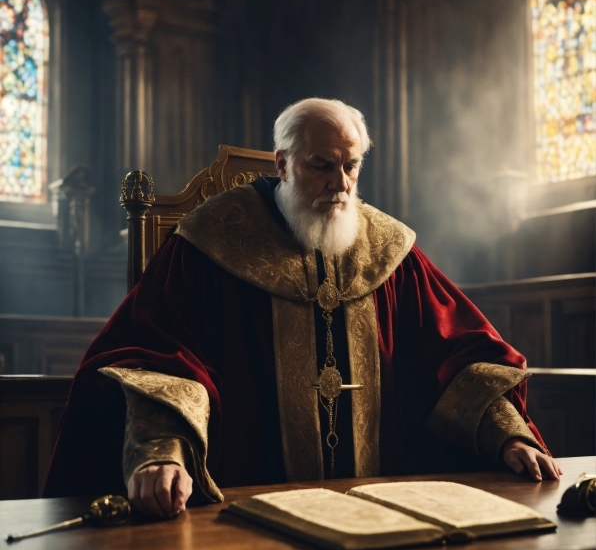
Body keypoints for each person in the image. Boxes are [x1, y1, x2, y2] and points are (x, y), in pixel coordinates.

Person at [45, 98, 562, 518]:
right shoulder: (209, 242)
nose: (340, 184)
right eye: (322, 166)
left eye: (351, 166)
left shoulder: (388, 249)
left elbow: (454, 349)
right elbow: (154, 352)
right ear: (283, 163)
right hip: (242, 515)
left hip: (379, 510)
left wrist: (504, 435)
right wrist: (162, 453)